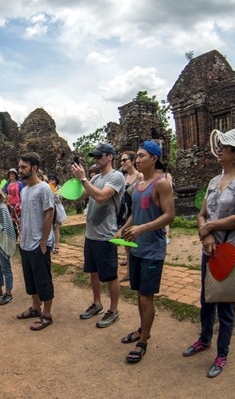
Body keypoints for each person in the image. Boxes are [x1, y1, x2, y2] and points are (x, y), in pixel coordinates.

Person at [183, 128, 235, 378]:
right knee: (207, 298)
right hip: (210, 248)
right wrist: (207, 234)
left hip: (230, 250)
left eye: (224, 147)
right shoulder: (214, 181)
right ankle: (204, 339)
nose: (219, 150)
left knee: (225, 304)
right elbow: (201, 213)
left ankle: (222, 352)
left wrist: (211, 228)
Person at [118, 141, 174, 363]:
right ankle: (143, 329)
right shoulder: (138, 186)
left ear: (154, 159)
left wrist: (142, 228)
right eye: (137, 156)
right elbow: (135, 214)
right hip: (137, 249)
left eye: (141, 156)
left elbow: (169, 215)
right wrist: (124, 227)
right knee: (139, 294)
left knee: (145, 297)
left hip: (152, 249)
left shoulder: (162, 184)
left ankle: (143, 342)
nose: (137, 160)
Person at [71, 143, 125, 329]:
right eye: (94, 156)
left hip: (106, 235)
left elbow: (102, 197)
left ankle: (114, 310)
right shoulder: (95, 178)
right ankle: (97, 303)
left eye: (99, 156)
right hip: (91, 234)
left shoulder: (116, 176)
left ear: (110, 157)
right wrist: (77, 181)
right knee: (93, 272)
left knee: (110, 276)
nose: (96, 159)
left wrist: (84, 179)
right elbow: (81, 197)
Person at [16, 152, 56, 330]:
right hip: (25, 242)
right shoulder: (24, 190)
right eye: (19, 167)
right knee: (30, 278)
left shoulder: (44, 188)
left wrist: (44, 240)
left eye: (23, 167)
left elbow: (49, 214)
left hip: (39, 242)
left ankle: (47, 314)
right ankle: (35, 307)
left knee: (43, 279)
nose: (20, 170)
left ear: (34, 168)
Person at [119, 150, 143, 280]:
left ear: (132, 161)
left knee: (136, 243)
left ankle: (136, 270)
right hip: (125, 212)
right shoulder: (124, 178)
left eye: (124, 160)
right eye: (121, 160)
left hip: (135, 212)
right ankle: (129, 272)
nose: (122, 162)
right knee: (127, 244)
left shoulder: (140, 176)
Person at [2, 168, 24, 239]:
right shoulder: (7, 184)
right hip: (9, 205)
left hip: (17, 204)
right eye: (10, 174)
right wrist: (5, 196)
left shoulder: (19, 183)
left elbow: (22, 193)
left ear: (15, 175)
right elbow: (3, 192)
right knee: (10, 221)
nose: (11, 175)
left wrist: (21, 203)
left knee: (19, 221)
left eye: (13, 174)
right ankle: (12, 236)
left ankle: (20, 236)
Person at [48, 175, 67, 254]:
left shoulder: (59, 188)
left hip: (57, 209)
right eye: (49, 179)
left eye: (52, 179)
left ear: (56, 180)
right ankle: (50, 245)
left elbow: (58, 198)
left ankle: (57, 246)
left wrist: (52, 191)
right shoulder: (47, 187)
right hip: (50, 208)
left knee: (56, 227)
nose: (51, 181)